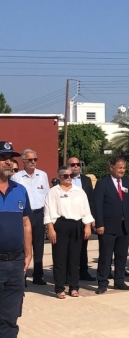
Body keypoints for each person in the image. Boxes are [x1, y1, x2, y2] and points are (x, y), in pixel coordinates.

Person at [44, 166, 94, 299]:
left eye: (70, 176)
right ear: (59, 177)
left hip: (77, 225)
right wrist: (50, 229)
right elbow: (48, 212)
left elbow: (86, 210)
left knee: (74, 258)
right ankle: (59, 288)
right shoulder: (53, 192)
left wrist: (87, 226)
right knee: (60, 258)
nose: (68, 178)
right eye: (65, 176)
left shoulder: (79, 191)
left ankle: (74, 287)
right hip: (60, 225)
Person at [0, 142, 33, 337]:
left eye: (11, 159)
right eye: (3, 159)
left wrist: (28, 253)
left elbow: (26, 223)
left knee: (10, 317)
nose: (9, 163)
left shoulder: (20, 190)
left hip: (15, 264)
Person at [93, 157, 129, 294]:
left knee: (121, 255)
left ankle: (119, 281)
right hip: (108, 226)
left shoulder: (127, 183)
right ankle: (102, 282)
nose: (122, 170)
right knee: (106, 256)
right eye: (119, 168)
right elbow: (97, 206)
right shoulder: (102, 183)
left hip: (124, 226)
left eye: (124, 168)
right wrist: (99, 224)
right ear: (111, 168)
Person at [11, 149, 48, 285]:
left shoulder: (43, 175)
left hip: (39, 213)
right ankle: (23, 276)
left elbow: (46, 196)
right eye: (30, 160)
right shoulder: (17, 177)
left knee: (39, 246)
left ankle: (38, 275)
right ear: (23, 161)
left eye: (35, 160)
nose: (33, 162)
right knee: (23, 246)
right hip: (24, 215)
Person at [66, 157, 96, 282]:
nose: (76, 166)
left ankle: (83, 271)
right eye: (72, 164)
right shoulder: (64, 179)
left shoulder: (86, 180)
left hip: (83, 218)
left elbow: (91, 200)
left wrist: (92, 218)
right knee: (68, 247)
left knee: (83, 247)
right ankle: (68, 274)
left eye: (78, 164)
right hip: (68, 218)